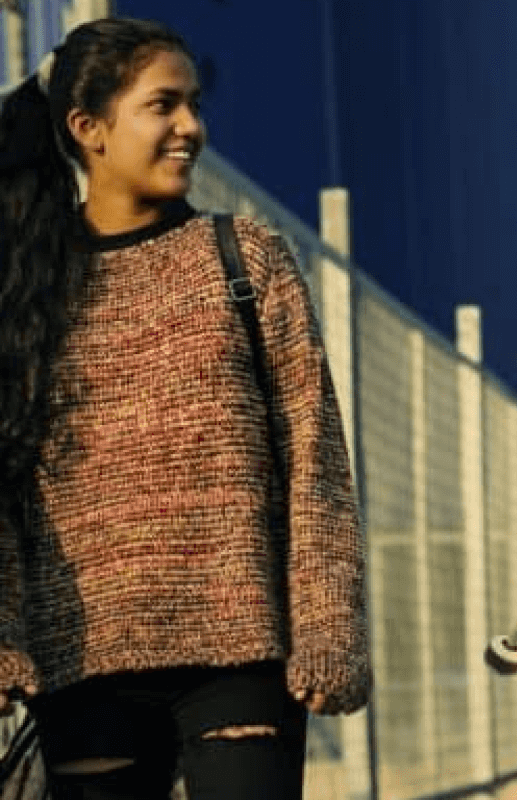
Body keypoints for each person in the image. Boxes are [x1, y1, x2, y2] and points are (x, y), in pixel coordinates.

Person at [0, 18, 370, 800]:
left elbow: (316, 460)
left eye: (194, 105)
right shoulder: (26, 289)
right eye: (163, 105)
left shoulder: (247, 260)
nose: (191, 128)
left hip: (240, 660)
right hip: (82, 659)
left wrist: (330, 626)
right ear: (88, 128)